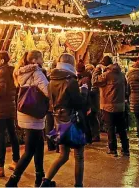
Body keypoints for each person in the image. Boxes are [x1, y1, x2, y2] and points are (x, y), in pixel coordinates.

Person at [42, 54, 88, 187]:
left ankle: (46, 181)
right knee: (78, 155)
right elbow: (79, 103)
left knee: (63, 155)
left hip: (59, 121)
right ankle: (78, 185)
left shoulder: (51, 80)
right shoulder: (71, 81)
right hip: (73, 121)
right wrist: (84, 90)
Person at [6, 50, 49, 187]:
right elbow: (47, 90)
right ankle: (13, 180)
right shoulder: (36, 72)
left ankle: (40, 176)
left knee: (39, 144)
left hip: (25, 111)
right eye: (41, 58)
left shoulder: (21, 73)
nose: (43, 61)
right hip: (34, 113)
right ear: (35, 60)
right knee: (30, 149)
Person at [92, 56, 130, 157]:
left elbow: (94, 81)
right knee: (122, 128)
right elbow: (127, 88)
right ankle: (125, 149)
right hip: (120, 106)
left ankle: (112, 149)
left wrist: (97, 69)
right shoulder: (122, 75)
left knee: (111, 128)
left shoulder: (107, 75)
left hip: (108, 106)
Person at [76, 60, 93, 144]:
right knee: (84, 121)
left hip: (84, 103)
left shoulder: (85, 78)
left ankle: (88, 139)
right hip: (84, 102)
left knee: (85, 121)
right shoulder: (83, 77)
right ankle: (87, 138)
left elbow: (86, 92)